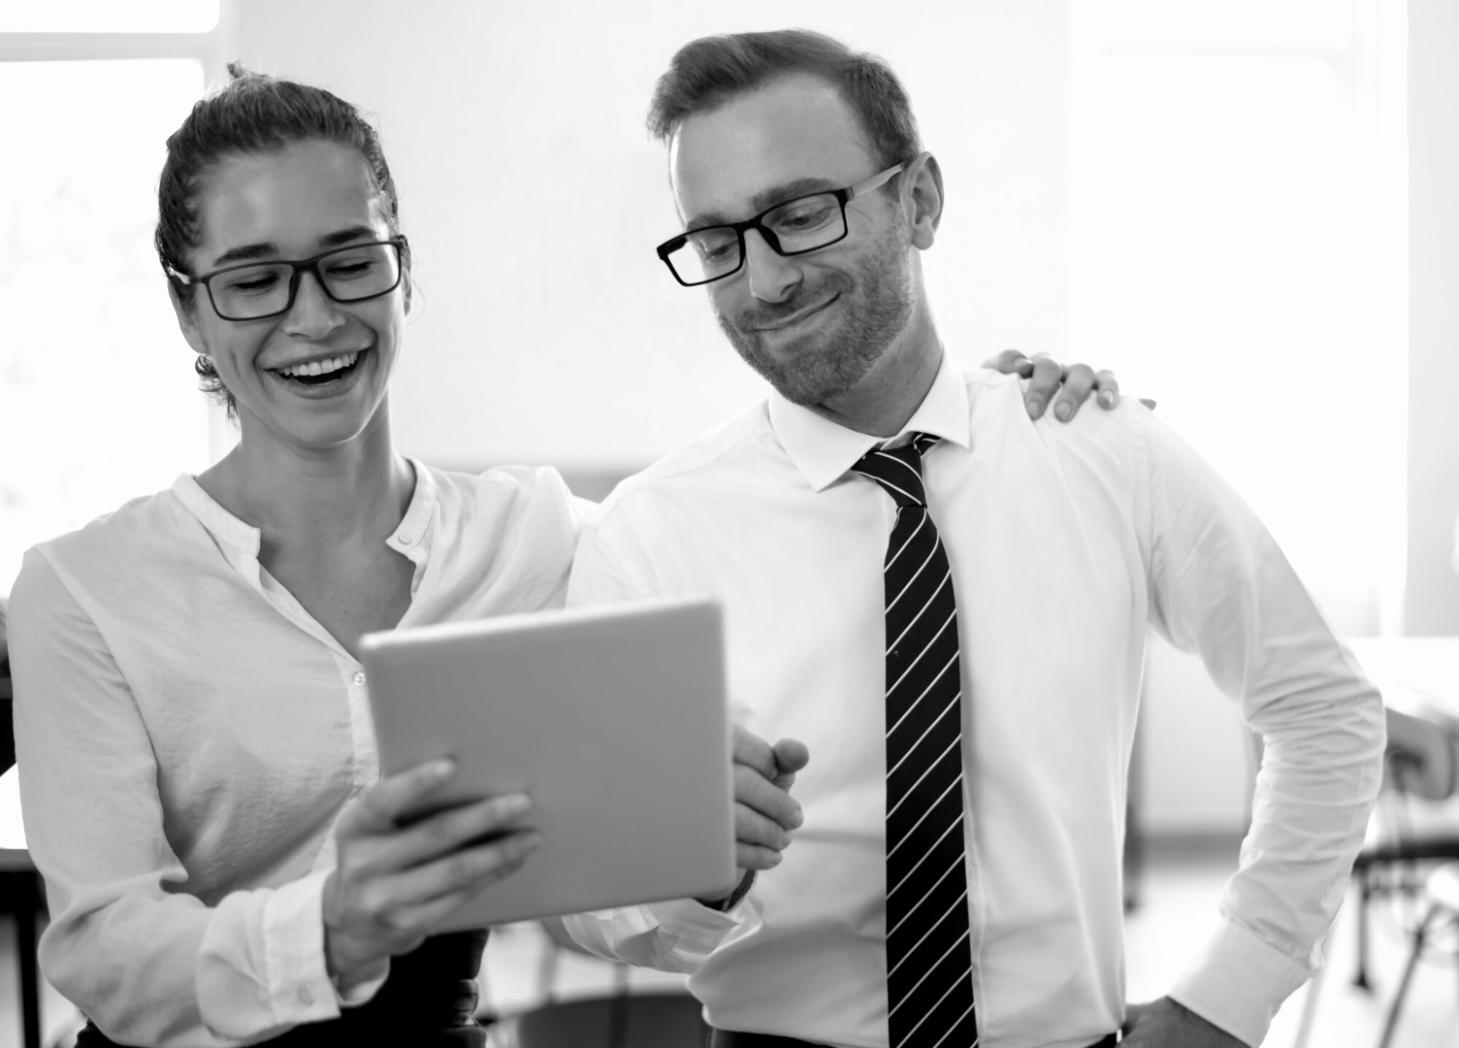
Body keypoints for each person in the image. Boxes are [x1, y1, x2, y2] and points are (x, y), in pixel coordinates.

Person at [6, 66, 1110, 1048]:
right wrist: (336, 923)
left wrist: (978, 423)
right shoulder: (81, 591)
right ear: (189, 313)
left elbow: (624, 904)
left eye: (350, 261)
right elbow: (109, 955)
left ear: (402, 271)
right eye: (252, 280)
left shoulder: (539, 540)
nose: (313, 316)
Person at [562, 29, 1388, 1048]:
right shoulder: (650, 535)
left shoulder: (1099, 450)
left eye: (801, 214)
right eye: (718, 239)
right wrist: (690, 868)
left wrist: (1231, 992)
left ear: (919, 201)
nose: (762, 281)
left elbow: (1322, 709)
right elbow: (599, 911)